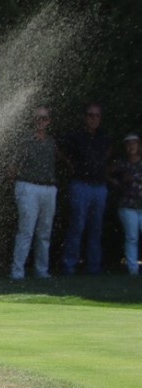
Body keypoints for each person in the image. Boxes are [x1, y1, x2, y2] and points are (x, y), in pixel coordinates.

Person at [60, 102, 113, 275]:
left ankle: (94, 268)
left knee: (96, 229)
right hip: (80, 185)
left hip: (99, 188)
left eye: (97, 115)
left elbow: (109, 155)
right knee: (77, 226)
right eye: (91, 115)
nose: (94, 118)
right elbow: (61, 152)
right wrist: (71, 166)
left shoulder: (104, 137)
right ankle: (69, 266)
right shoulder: (76, 137)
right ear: (85, 117)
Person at [8, 106, 60, 280]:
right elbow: (13, 167)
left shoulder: (51, 142)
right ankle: (17, 271)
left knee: (44, 233)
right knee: (26, 231)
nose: (41, 121)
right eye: (38, 118)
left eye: (44, 118)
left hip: (49, 189)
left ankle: (41, 271)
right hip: (28, 187)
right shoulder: (25, 141)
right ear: (33, 120)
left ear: (49, 121)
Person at [109, 133, 142, 275]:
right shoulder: (121, 164)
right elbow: (107, 173)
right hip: (127, 206)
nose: (131, 146)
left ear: (139, 145)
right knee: (132, 237)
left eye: (134, 143)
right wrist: (118, 182)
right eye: (128, 144)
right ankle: (133, 269)